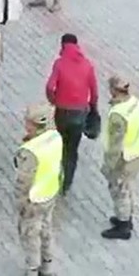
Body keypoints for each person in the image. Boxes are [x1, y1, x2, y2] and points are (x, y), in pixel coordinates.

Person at [7, 104, 63, 276]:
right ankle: (47, 268)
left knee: (30, 236)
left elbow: (24, 181)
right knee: (47, 230)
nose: (25, 124)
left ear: (34, 124)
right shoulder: (56, 137)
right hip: (50, 192)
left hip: (33, 199)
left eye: (27, 121)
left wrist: (20, 203)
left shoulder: (30, 151)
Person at [45, 33, 98, 195]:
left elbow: (50, 87)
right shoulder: (88, 65)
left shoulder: (59, 64)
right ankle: (66, 184)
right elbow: (94, 92)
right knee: (72, 149)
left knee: (59, 144)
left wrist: (53, 100)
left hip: (62, 112)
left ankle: (55, 176)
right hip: (80, 113)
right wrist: (93, 107)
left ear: (62, 46)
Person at [100, 76, 139, 240]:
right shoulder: (135, 102)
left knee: (119, 190)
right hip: (136, 152)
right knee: (128, 186)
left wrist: (108, 166)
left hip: (123, 158)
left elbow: (116, 145)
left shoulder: (118, 114)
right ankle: (127, 217)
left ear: (114, 90)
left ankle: (123, 225)